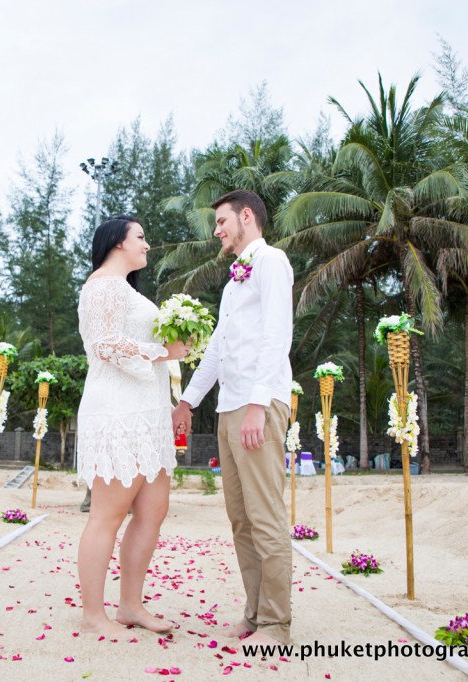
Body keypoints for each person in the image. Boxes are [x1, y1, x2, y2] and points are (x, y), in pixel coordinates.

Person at [172, 190, 295, 647]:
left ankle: (277, 625)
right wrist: (187, 403)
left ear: (246, 216)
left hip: (257, 406)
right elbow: (217, 351)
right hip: (229, 409)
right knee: (241, 521)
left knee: (265, 518)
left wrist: (258, 405)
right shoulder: (232, 284)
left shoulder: (271, 261)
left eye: (222, 221)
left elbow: (278, 334)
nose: (217, 230)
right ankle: (255, 613)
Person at [76, 215, 189, 638]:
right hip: (118, 412)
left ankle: (130, 606)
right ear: (117, 242)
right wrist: (164, 351)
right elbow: (104, 344)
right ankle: (93, 614)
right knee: (107, 515)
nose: (146, 244)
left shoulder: (125, 289)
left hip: (148, 413)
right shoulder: (103, 285)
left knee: (152, 511)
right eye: (140, 237)